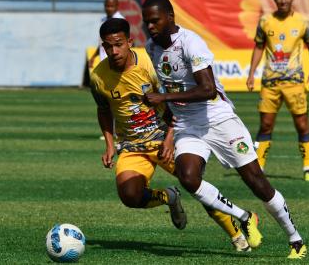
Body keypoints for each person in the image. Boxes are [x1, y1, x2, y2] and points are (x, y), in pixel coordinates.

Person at [141, 0, 307, 259]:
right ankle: (244, 216)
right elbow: (170, 85)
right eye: (146, 22)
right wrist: (170, 128)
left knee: (256, 181)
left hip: (219, 120)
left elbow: (207, 90)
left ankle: (295, 239)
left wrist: (164, 98)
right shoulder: (152, 47)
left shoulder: (191, 43)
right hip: (188, 125)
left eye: (154, 21)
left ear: (170, 17)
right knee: (188, 178)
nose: (149, 27)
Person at [90, 18, 251, 252]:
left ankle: (235, 233)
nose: (113, 51)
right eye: (108, 46)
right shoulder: (98, 76)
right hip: (133, 146)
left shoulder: (148, 64)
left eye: (118, 44)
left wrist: (169, 139)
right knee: (130, 195)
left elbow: (175, 100)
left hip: (165, 140)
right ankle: (168, 197)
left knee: (195, 184)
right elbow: (103, 109)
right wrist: (109, 144)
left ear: (129, 42)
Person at [246, 0, 309, 182]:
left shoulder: (303, 22)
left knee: (302, 124)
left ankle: (308, 168)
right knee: (266, 125)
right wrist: (251, 73)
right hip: (270, 83)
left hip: (294, 82)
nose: (283, 1)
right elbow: (259, 47)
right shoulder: (265, 21)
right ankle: (259, 169)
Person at [88, 0, 125, 71]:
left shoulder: (120, 21)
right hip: (104, 60)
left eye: (111, 6)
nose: (109, 9)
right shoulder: (103, 20)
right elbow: (102, 43)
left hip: (116, 60)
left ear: (117, 6)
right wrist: (93, 57)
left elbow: (123, 43)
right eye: (107, 6)